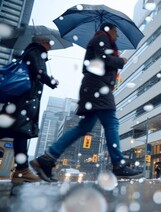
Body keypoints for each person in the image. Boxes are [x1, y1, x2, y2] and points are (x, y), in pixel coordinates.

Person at [30, 23, 143, 181]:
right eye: (116, 31)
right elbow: (101, 59)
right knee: (111, 123)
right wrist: (120, 61)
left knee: (84, 127)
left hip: (94, 87)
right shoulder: (101, 38)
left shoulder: (101, 40)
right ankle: (118, 164)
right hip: (98, 86)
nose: (117, 35)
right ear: (108, 29)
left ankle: (47, 159)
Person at [0, 35, 59, 183]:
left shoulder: (30, 52)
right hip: (26, 99)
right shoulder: (36, 51)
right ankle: (22, 170)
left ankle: (22, 170)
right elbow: (38, 72)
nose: (50, 46)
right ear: (42, 43)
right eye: (49, 43)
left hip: (19, 99)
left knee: (11, 130)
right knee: (21, 132)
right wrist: (52, 81)